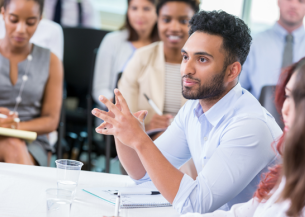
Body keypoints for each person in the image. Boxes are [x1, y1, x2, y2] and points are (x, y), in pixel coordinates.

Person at [92, 11, 282, 214]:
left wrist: (140, 140)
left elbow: (196, 204)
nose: (186, 69)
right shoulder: (194, 108)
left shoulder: (251, 126)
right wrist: (123, 132)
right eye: (185, 57)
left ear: (232, 71)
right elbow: (143, 174)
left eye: (202, 60)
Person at [181, 58, 305, 217]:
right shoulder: (296, 166)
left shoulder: (253, 126)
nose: (285, 109)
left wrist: (142, 143)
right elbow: (244, 212)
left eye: (298, 99)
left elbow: (199, 201)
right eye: (287, 96)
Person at [118, 0, 199, 134]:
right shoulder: (141, 57)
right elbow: (125, 118)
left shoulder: (205, 64)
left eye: (184, 21)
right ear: (158, 21)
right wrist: (148, 127)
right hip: (147, 141)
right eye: (166, 20)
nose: (174, 27)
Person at [0, 0, 63, 166]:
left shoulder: (51, 61)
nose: (21, 29)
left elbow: (51, 120)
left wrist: (13, 127)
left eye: (30, 22)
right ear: (3, 14)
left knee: (12, 144)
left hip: (32, 139)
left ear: (39, 20)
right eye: (14, 20)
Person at [93, 0, 159, 109]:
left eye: (146, 9)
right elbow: (100, 89)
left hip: (150, 116)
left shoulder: (163, 47)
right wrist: (116, 108)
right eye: (134, 8)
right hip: (116, 115)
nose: (140, 14)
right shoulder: (112, 40)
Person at [240, 0, 305, 99]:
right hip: (257, 112)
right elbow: (237, 88)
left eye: (301, 1)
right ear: (278, 1)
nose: (293, 5)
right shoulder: (253, 43)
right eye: (289, 0)